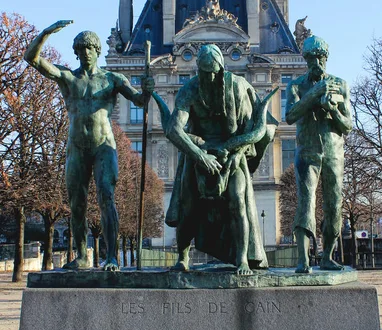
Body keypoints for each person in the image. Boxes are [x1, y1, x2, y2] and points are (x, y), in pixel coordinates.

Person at [24, 20, 154, 271]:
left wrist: (147, 89)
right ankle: (83, 255)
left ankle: (113, 257)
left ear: (97, 51)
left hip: (104, 145)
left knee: (107, 196)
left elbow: (140, 101)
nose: (84, 54)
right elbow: (32, 58)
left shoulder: (112, 79)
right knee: (77, 203)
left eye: (89, 49)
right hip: (77, 147)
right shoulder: (68, 77)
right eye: (80, 50)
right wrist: (46, 33)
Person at [153, 44, 277, 275]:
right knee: (187, 206)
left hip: (231, 153)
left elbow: (254, 131)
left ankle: (241, 259)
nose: (207, 78)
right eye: (202, 72)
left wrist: (235, 154)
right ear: (197, 70)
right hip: (198, 152)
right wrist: (199, 155)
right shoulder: (190, 90)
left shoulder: (239, 88)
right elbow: (173, 129)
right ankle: (183, 256)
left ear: (220, 70)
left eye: (212, 73)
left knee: (237, 201)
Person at [285, 35, 352, 273]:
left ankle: (328, 256)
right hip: (307, 152)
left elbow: (347, 125)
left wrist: (332, 109)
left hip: (334, 153)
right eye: (312, 58)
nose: (317, 62)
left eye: (321, 57)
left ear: (326, 58)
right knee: (306, 203)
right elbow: (290, 115)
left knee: (334, 205)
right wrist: (313, 95)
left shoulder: (341, 85)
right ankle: (303, 259)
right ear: (306, 60)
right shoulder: (296, 86)